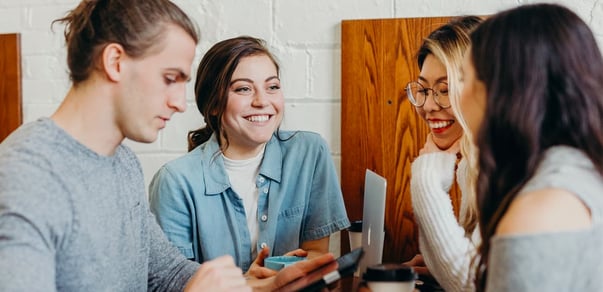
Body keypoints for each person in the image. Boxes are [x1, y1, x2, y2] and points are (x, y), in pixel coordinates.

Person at [0, 1, 336, 291]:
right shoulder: (25, 177)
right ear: (115, 62)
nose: (179, 103)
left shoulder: (122, 163)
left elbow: (167, 274)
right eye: (169, 78)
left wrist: (254, 286)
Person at [148, 35, 350, 276]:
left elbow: (317, 252)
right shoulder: (174, 181)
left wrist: (285, 272)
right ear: (213, 104)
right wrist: (249, 284)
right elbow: (173, 282)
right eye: (243, 89)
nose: (262, 101)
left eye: (272, 87)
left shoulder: (309, 153)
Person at [459, 3, 603, 291]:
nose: (458, 97)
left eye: (464, 78)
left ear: (500, 92)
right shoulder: (583, 173)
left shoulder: (538, 213)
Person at [403, 16, 482, 292]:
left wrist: (426, 180)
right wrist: (439, 265)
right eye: (423, 90)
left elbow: (473, 284)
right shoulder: (472, 163)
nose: (427, 106)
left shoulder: (510, 166)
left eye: (444, 91)